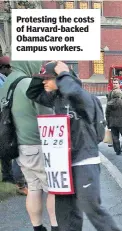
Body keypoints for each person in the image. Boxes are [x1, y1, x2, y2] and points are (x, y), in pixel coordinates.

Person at [26, 61, 120, 231]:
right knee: (66, 215)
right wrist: (42, 67)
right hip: (63, 166)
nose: (44, 82)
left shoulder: (83, 97)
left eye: (47, 78)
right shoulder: (55, 98)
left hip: (85, 160)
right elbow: (32, 93)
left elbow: (75, 92)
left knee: (92, 209)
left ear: (62, 79)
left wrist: (63, 74)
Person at [1, 60, 58, 231]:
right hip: (38, 144)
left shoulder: (8, 82)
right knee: (53, 189)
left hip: (19, 145)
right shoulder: (27, 83)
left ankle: (37, 227)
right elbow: (47, 114)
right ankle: (56, 226)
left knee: (33, 188)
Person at [0, 55, 28, 196]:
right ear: (4, 68)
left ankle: (11, 178)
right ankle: (13, 179)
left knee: (8, 146)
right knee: (8, 146)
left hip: (7, 117)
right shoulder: (3, 80)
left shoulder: (5, 79)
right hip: (4, 117)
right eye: (9, 68)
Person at [106, 88, 122, 155]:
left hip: (112, 123)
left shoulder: (109, 104)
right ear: (120, 95)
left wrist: (108, 123)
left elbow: (107, 114)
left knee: (115, 136)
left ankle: (117, 150)